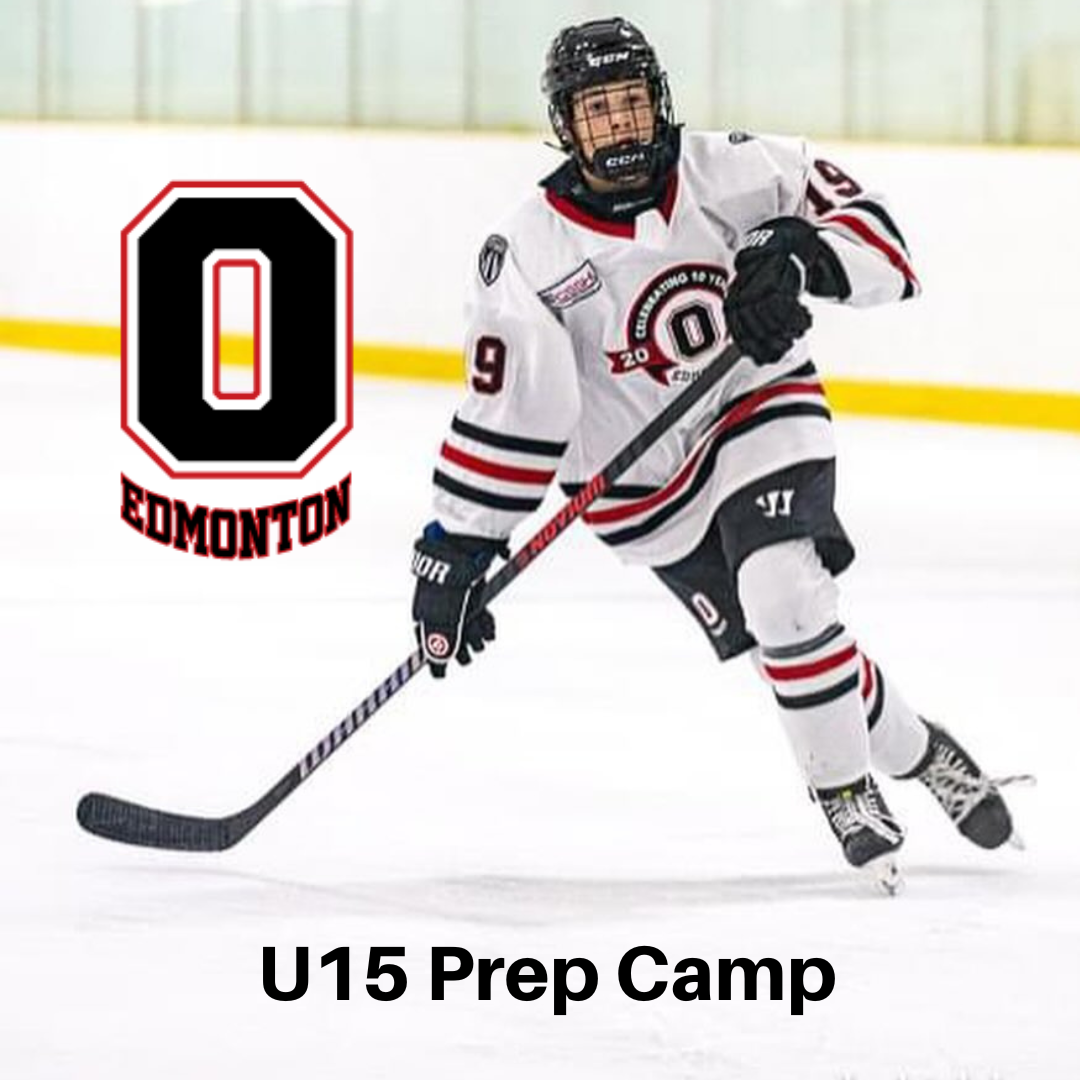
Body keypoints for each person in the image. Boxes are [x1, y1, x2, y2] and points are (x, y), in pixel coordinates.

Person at [409, 16, 1021, 889]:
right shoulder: (527, 252)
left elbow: (881, 241)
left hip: (756, 408)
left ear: (658, 100)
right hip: (642, 495)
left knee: (784, 595)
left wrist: (802, 252)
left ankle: (845, 792)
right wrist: (460, 546)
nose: (619, 124)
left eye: (630, 101)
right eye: (596, 110)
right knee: (793, 642)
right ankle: (924, 752)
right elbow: (516, 409)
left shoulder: (738, 170)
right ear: (565, 124)